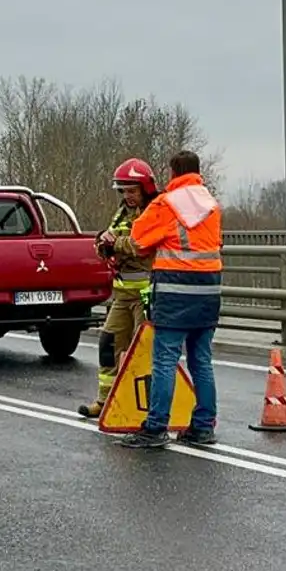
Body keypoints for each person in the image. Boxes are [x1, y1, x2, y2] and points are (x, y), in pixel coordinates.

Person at [117, 150, 222, 449]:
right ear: (198, 172)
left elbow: (137, 238)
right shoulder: (212, 204)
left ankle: (155, 427)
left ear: (173, 173)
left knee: (164, 359)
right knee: (201, 359)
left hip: (176, 290)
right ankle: (203, 426)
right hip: (209, 290)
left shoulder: (167, 203)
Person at [78, 158, 159, 418]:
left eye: (132, 191)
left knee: (144, 350)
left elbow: (142, 246)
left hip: (146, 295)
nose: (128, 196)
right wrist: (104, 243)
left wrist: (116, 244)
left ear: (145, 189)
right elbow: (107, 245)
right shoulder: (122, 212)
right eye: (123, 191)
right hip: (122, 295)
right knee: (108, 343)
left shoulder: (153, 211)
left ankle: (148, 408)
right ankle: (105, 400)